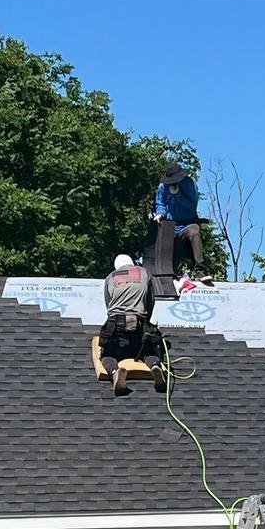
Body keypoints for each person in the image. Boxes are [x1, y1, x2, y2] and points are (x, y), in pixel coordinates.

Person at [101, 254, 166, 395]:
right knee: (148, 351)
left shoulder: (110, 277)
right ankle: (155, 366)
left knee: (107, 354)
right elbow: (150, 301)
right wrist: (146, 325)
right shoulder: (145, 273)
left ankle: (115, 372)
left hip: (116, 322)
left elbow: (109, 306)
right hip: (139, 320)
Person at [154, 162, 213, 285]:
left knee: (194, 232)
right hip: (171, 225)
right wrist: (160, 213)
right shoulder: (163, 186)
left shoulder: (189, 183)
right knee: (170, 253)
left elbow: (192, 206)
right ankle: (170, 274)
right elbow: (161, 203)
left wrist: (178, 194)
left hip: (188, 223)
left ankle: (200, 271)